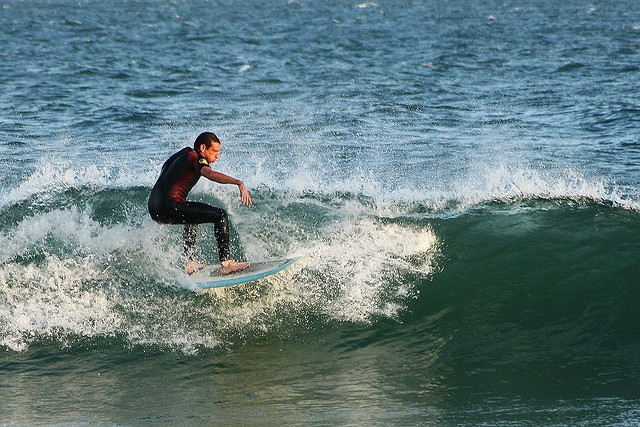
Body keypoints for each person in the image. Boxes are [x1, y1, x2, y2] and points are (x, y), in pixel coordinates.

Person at [148, 132, 252, 275]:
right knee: (220, 215)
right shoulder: (196, 158)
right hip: (171, 206)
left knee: (192, 213)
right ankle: (226, 263)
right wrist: (238, 182)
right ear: (203, 148)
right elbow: (208, 174)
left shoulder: (182, 154)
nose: (217, 156)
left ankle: (189, 262)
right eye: (214, 151)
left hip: (154, 208)